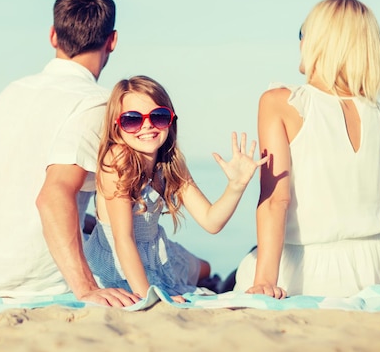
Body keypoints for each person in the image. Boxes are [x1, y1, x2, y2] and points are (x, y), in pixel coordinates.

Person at [0, 0, 139, 307]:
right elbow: (52, 196)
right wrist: (86, 289)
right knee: (154, 248)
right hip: (29, 280)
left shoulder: (10, 93)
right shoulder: (97, 105)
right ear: (112, 40)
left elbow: (21, 192)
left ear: (53, 36)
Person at [234, 0, 380, 298]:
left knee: (246, 267)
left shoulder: (281, 103)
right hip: (378, 262)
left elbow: (276, 201)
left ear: (320, 42)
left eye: (303, 32)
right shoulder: (375, 111)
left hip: (317, 270)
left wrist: (264, 282)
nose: (300, 42)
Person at [83, 75, 266, 301]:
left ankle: (217, 282)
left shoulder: (169, 163)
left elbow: (211, 221)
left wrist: (236, 186)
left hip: (156, 251)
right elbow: (124, 239)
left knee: (206, 268)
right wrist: (151, 296)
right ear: (117, 126)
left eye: (158, 117)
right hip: (122, 261)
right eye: (132, 120)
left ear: (171, 120)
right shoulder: (118, 160)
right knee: (194, 277)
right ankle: (218, 284)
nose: (147, 125)